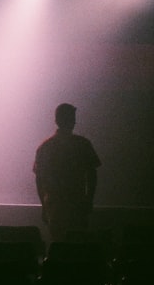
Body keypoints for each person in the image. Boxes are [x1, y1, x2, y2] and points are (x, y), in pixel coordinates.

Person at [33, 103, 102, 242]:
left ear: (56, 120)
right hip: (77, 204)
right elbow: (92, 175)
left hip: (55, 206)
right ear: (72, 120)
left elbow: (39, 180)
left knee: (58, 245)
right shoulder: (82, 144)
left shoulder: (45, 146)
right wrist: (89, 200)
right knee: (78, 246)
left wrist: (44, 205)